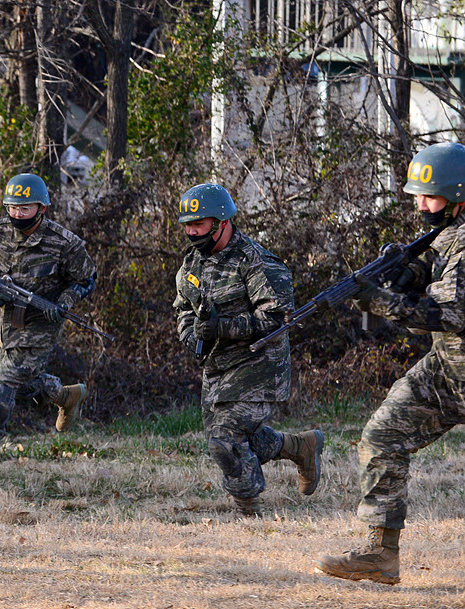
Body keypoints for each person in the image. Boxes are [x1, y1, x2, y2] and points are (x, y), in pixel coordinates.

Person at [316, 142, 465, 585]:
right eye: (417, 195)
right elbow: (438, 281)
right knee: (381, 436)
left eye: (430, 196)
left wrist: (381, 301)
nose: (421, 205)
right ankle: (381, 554)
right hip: (449, 373)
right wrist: (413, 271)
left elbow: (449, 314)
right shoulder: (446, 235)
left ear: (459, 195)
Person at [172, 183, 325, 516]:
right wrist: (191, 335)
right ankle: (300, 446)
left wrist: (223, 327)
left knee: (223, 440)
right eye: (187, 224)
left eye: (199, 224)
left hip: (259, 364)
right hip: (217, 366)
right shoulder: (191, 264)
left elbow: (277, 317)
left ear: (222, 222)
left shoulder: (256, 261)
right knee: (241, 438)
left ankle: (248, 511)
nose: (191, 231)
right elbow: (183, 306)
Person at [0, 173, 97, 457]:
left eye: (24, 208)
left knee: (4, 382)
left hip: (42, 322)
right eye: (12, 207)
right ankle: (65, 396)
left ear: (41, 208)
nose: (17, 213)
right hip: (6, 321)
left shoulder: (64, 243)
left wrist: (63, 302)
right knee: (22, 381)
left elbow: (87, 278)